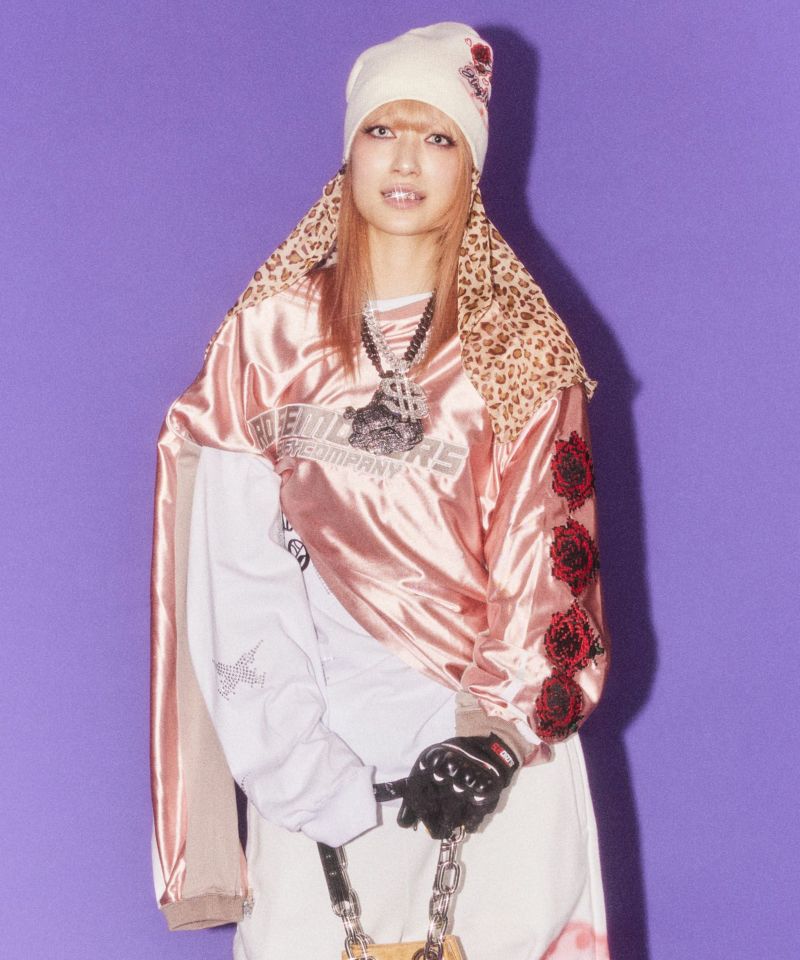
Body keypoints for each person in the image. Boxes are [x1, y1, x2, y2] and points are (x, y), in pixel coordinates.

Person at [150, 22, 611, 960]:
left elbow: (551, 569)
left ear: (471, 163)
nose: (405, 161)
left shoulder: (520, 345)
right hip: (315, 753)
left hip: (487, 762)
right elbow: (231, 567)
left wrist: (495, 741)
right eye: (382, 130)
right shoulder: (268, 338)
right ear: (349, 149)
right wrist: (297, 764)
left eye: (437, 136)